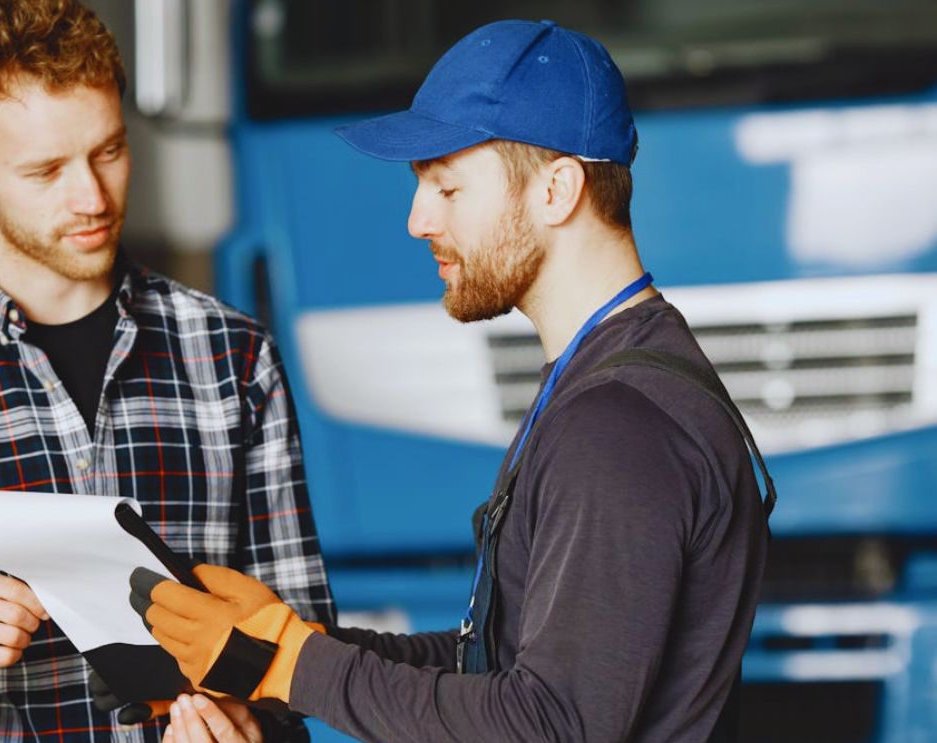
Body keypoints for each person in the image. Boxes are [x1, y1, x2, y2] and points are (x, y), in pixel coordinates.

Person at [144, 20, 772, 743]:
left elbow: (549, 725)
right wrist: (286, 645)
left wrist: (295, 665)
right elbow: (498, 666)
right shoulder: (608, 381)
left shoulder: (615, 428)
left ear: (556, 190)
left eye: (446, 186)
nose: (417, 220)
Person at [0, 1, 334, 741]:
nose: (92, 197)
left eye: (109, 151)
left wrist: (250, 719)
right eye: (45, 169)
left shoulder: (233, 355)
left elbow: (308, 653)